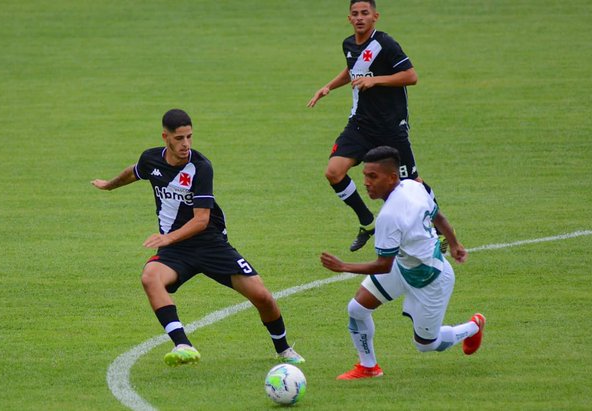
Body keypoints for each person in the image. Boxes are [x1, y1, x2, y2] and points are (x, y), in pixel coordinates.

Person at [92, 109, 304, 367]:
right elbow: (134, 172)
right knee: (150, 277)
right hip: (177, 250)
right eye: (179, 138)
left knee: (262, 297)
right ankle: (182, 344)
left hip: (210, 244)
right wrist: (109, 185)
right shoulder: (151, 159)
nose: (186, 144)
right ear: (165, 137)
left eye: (190, 137)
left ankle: (283, 349)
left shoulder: (201, 167)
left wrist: (167, 239)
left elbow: (201, 220)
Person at [320, 146, 484, 380]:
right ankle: (368, 367)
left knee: (427, 344)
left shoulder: (390, 216)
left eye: (373, 177)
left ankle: (474, 326)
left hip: (430, 279)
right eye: (365, 175)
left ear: (392, 177)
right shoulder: (414, 185)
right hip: (403, 265)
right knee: (356, 309)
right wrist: (454, 243)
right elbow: (438, 215)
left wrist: (343, 266)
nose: (366, 182)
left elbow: (383, 265)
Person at [308, 0, 439, 252]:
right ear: (349, 18)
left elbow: (411, 76)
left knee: (411, 183)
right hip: (360, 124)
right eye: (355, 14)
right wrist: (328, 87)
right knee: (333, 172)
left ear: (375, 16)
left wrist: (377, 81)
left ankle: (440, 229)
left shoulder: (385, 43)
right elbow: (352, 70)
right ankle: (368, 222)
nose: (359, 18)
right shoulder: (348, 44)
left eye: (364, 13)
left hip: (391, 127)